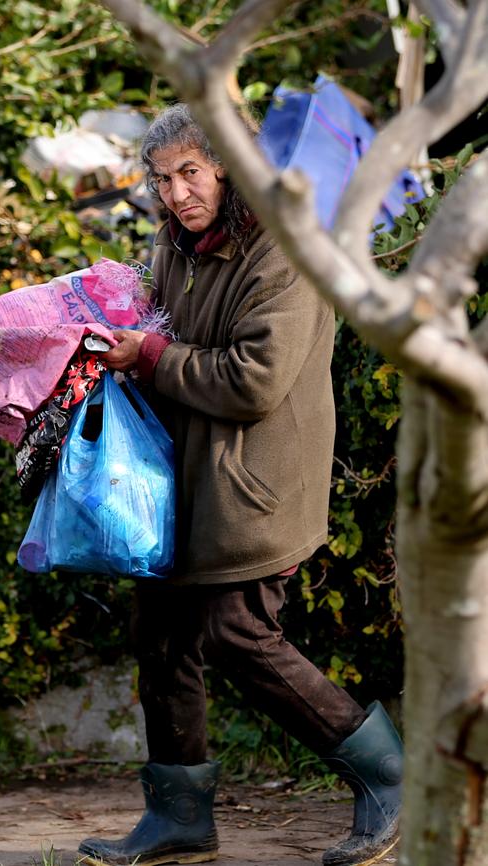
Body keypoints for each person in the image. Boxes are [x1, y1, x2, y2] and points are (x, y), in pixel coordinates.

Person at [77, 104, 402, 866]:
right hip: (183, 475)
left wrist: (149, 356)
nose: (177, 193)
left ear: (227, 166)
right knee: (159, 636)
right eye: (162, 180)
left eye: (190, 172)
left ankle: (390, 774)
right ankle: (179, 817)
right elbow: (164, 334)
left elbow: (254, 381)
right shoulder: (177, 244)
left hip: (256, 478)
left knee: (237, 633)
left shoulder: (285, 249)